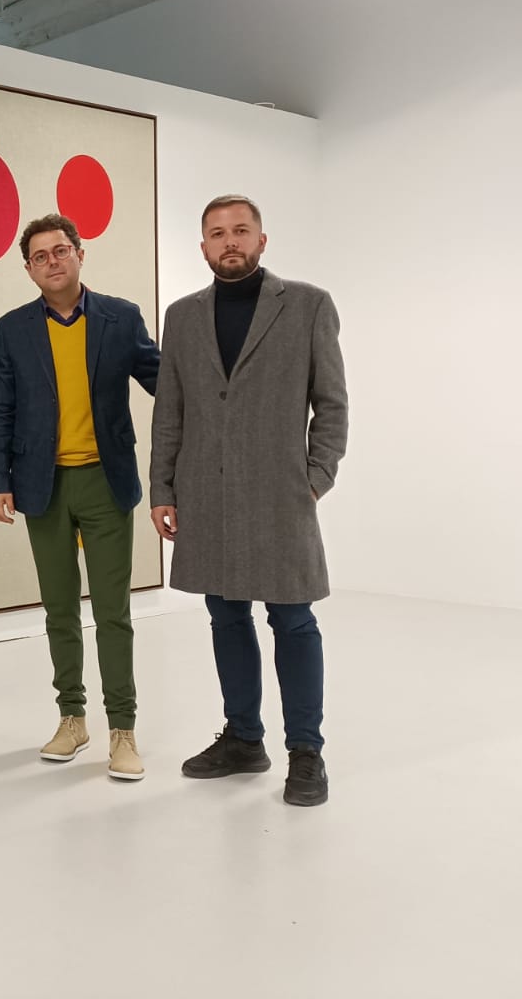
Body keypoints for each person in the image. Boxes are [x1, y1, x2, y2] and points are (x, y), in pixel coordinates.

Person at [150, 195, 347, 807]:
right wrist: (162, 487)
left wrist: (315, 474)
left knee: (293, 619)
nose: (229, 241)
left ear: (262, 241)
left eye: (241, 231)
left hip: (282, 494)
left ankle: (306, 751)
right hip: (207, 494)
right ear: (202, 246)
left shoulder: (308, 305)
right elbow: (170, 411)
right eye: (217, 233)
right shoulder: (182, 317)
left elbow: (332, 403)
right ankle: (242, 737)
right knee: (225, 615)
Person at [0, 214, 160, 780]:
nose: (53, 261)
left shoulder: (121, 317)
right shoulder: (11, 330)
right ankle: (72, 718)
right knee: (59, 609)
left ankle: (123, 729)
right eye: (40, 255)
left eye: (61, 250)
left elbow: (166, 380)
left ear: (80, 254)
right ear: (28, 267)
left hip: (106, 483)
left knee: (114, 613)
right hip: (44, 486)